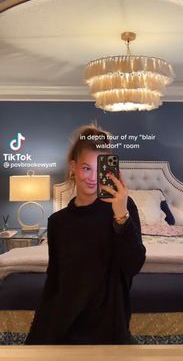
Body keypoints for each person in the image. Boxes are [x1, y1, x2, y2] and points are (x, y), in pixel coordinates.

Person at [25, 124, 146, 345]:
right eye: (85, 168)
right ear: (73, 167)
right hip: (65, 330)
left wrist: (121, 216)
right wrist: (36, 339)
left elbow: (133, 265)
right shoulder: (58, 222)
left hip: (109, 331)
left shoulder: (123, 210)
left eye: (98, 169)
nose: (92, 178)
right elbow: (54, 284)